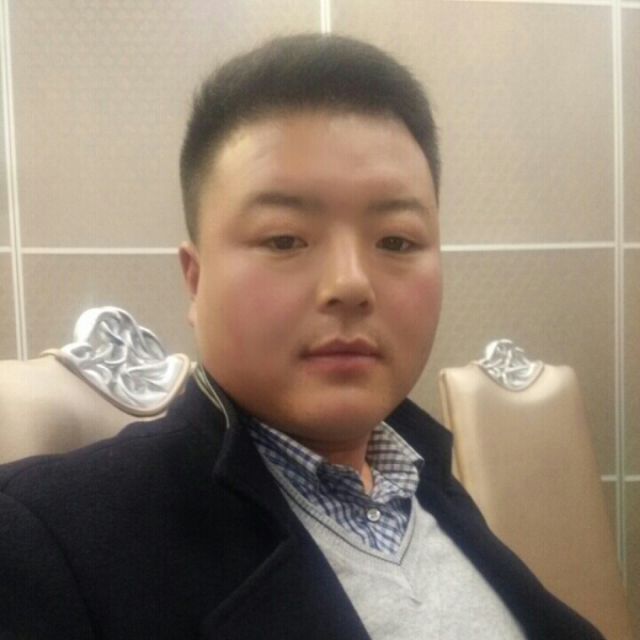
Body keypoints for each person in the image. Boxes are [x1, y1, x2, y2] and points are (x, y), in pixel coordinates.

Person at [0, 34, 604, 639]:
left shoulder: (424, 478)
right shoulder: (45, 539)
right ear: (196, 279)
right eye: (285, 239)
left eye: (396, 240)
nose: (351, 284)